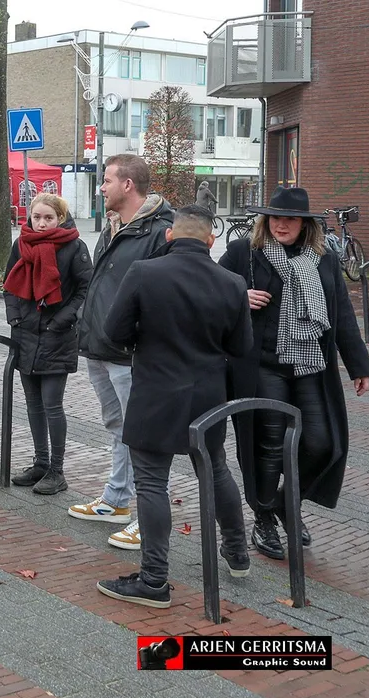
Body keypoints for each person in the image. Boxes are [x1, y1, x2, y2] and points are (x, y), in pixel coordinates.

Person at [96, 205, 253, 608]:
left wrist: (141, 343)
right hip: (208, 394)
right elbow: (241, 348)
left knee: (151, 483)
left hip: (154, 392)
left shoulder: (146, 273)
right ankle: (237, 554)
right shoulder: (233, 282)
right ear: (210, 240)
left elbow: (112, 331)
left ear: (169, 236)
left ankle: (154, 580)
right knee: (216, 470)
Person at [217, 187, 369, 560]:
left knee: (322, 442)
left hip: (310, 365)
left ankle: (285, 505)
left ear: (306, 225)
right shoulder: (245, 253)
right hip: (263, 366)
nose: (281, 224)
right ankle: (264, 518)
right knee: (270, 446)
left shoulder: (323, 259)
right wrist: (239, 295)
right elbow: (208, 287)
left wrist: (358, 364)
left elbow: (342, 315)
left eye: (289, 219)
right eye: (274, 217)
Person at [69, 153, 174, 552]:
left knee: (142, 434)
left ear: (127, 185)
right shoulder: (113, 227)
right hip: (100, 346)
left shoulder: (161, 231)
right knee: (118, 427)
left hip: (131, 352)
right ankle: (116, 499)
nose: (101, 188)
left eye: (107, 181)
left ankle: (147, 520)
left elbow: (163, 293)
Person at [3, 193, 93, 495]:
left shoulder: (74, 246)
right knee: (32, 405)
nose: (41, 223)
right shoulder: (21, 244)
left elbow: (85, 288)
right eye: (37, 217)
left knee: (52, 405)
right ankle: (40, 463)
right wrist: (14, 319)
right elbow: (9, 285)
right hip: (26, 334)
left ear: (60, 219)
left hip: (57, 335)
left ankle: (57, 470)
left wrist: (63, 320)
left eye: (48, 218)